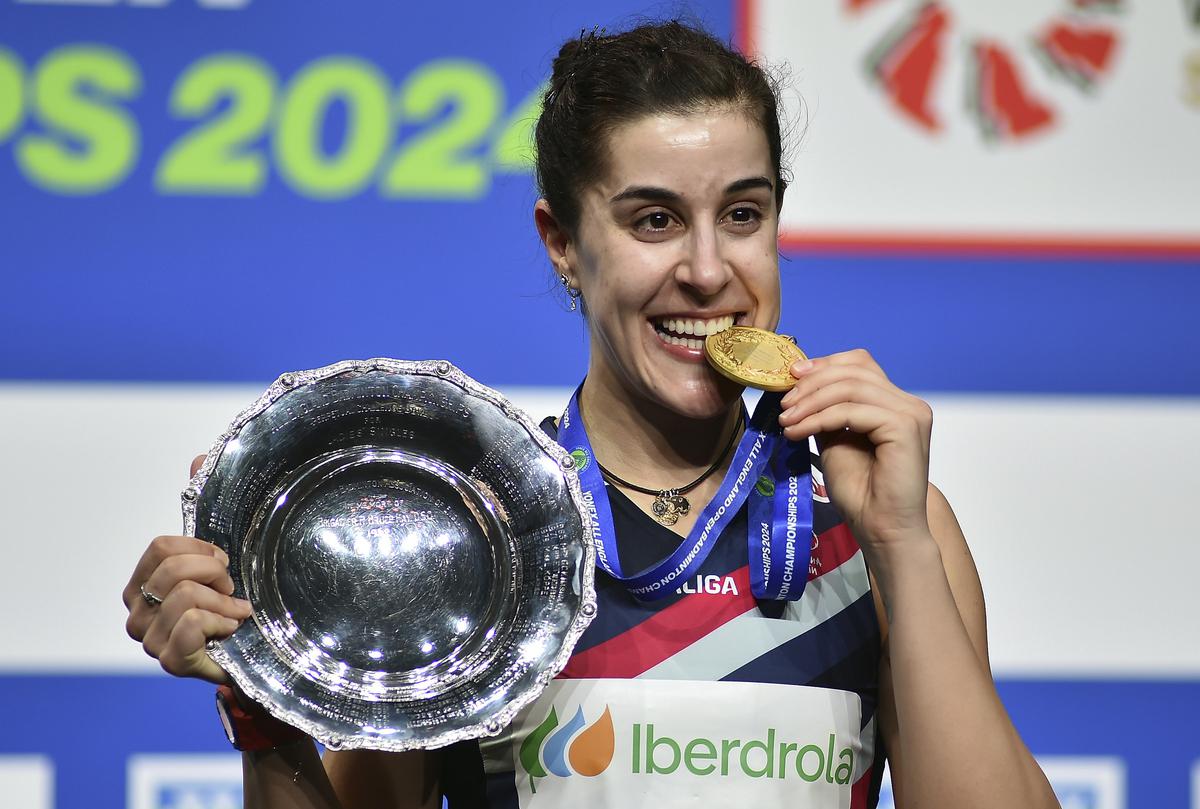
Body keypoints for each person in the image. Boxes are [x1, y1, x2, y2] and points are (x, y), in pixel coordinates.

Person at [122, 20, 1060, 809]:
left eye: (743, 213)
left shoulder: (872, 530)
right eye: (653, 220)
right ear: (563, 242)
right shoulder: (472, 533)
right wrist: (267, 699)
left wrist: (897, 536)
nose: (705, 269)